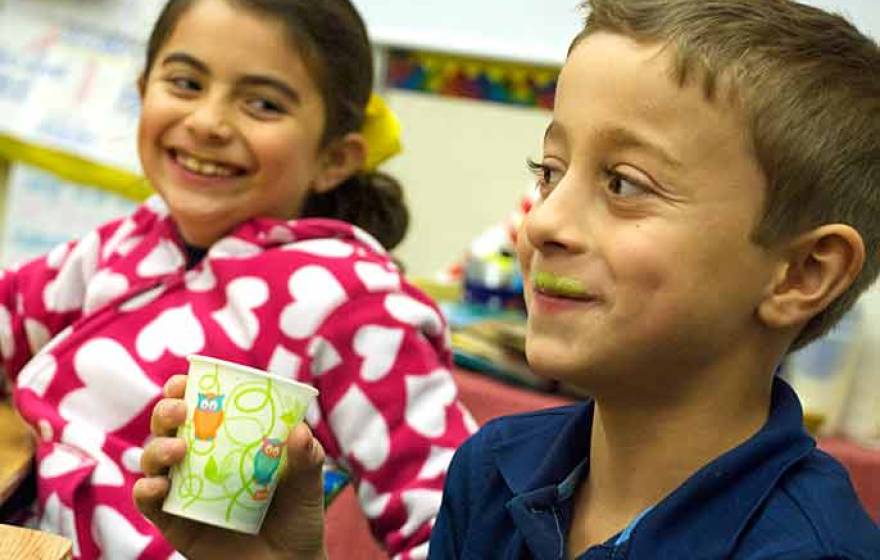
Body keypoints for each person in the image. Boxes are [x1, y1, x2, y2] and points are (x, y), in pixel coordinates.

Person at [0, 0, 475, 558]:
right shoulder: (133, 238)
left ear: (335, 157)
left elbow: (461, 519)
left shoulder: (356, 301)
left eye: (262, 103)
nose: (207, 122)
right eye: (184, 82)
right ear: (141, 90)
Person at [428, 0, 880, 558]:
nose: (542, 222)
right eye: (549, 173)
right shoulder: (490, 471)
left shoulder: (810, 551)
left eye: (624, 184)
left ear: (802, 273)